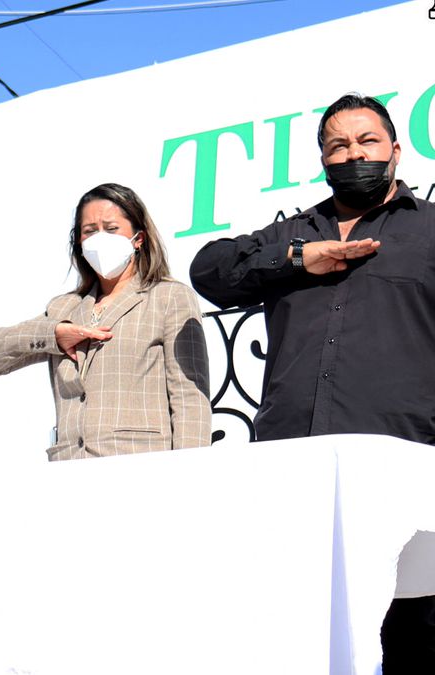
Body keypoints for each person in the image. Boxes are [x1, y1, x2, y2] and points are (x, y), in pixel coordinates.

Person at [189, 93, 435, 674]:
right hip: (295, 465)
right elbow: (209, 270)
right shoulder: (293, 234)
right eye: (338, 146)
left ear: (396, 150)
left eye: (367, 141)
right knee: (296, 636)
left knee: (411, 633)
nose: (354, 155)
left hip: (402, 461)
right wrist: (299, 259)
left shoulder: (429, 230)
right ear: (323, 160)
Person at [0, 183, 210, 460]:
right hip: (70, 464)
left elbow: (190, 398)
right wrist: (55, 336)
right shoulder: (65, 307)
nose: (100, 238)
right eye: (89, 231)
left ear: (138, 239)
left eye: (111, 229)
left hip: (140, 462)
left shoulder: (169, 297)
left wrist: (189, 470)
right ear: (79, 242)